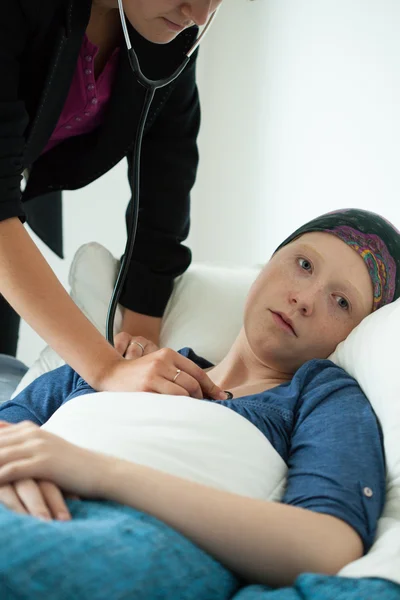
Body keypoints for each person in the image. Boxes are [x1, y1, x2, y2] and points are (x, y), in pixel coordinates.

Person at [0, 208, 398, 592]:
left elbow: (327, 546)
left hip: (122, 538)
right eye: (304, 265)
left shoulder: (322, 395)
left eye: (341, 301)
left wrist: (93, 470)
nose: (305, 299)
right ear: (271, 262)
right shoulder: (121, 362)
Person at [0, 0, 227, 401]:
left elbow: (165, 191)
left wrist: (139, 352)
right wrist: (106, 368)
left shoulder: (169, 36)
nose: (199, 15)